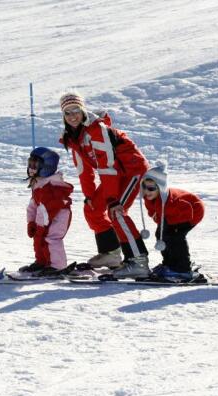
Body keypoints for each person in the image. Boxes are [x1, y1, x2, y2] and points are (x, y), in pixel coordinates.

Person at [59, 91, 150, 278]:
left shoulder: (96, 130)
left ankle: (139, 262)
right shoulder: (72, 137)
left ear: (83, 110)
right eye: (67, 112)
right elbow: (84, 171)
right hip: (114, 173)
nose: (72, 116)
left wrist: (111, 199)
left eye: (75, 110)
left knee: (116, 211)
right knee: (93, 209)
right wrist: (89, 197)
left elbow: (107, 166)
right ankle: (111, 254)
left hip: (131, 170)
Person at [140, 161, 205, 282]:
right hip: (172, 216)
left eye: (151, 188)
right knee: (161, 235)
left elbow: (188, 210)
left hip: (191, 213)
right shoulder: (149, 198)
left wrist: (175, 228)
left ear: (160, 187)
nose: (147, 191)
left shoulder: (170, 202)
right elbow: (153, 212)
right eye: (144, 187)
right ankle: (169, 264)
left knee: (175, 237)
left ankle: (183, 269)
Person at [20, 147, 74, 277]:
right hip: (45, 216)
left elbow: (44, 209)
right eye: (30, 164)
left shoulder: (49, 187)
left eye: (35, 165)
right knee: (39, 238)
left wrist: (40, 226)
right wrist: (31, 222)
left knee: (51, 238)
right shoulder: (39, 183)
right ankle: (42, 261)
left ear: (46, 167)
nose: (31, 168)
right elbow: (33, 205)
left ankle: (57, 266)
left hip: (59, 216)